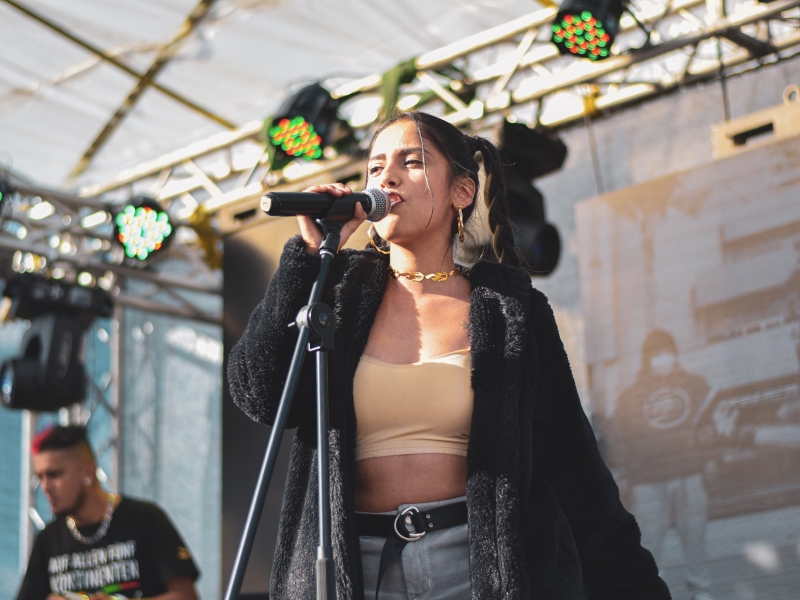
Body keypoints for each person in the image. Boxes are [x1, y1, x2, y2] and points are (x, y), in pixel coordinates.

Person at [228, 110, 671, 599]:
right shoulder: (336, 294)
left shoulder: (509, 311)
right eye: (375, 168)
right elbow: (257, 393)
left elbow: (575, 466)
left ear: (463, 191)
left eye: (411, 162)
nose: (387, 176)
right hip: (354, 565)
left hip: (475, 566)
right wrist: (306, 258)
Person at [16, 426, 199, 600]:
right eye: (40, 477)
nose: (45, 487)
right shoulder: (48, 539)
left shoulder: (144, 519)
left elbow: (187, 597)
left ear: (88, 472)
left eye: (54, 474)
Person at [614, 329, 714, 600]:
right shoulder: (630, 397)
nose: (663, 358)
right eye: (656, 354)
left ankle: (700, 591)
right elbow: (621, 440)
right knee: (649, 545)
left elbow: (709, 426)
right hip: (647, 482)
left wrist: (708, 461)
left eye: (667, 352)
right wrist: (626, 477)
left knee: (695, 538)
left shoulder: (695, 385)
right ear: (646, 359)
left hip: (689, 475)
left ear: (676, 354)